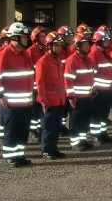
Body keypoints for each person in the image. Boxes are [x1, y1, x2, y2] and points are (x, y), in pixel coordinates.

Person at [0, 22, 35, 167]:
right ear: (14, 38)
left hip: (26, 101)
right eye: (24, 37)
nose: (26, 39)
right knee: (11, 130)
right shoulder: (4, 55)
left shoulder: (25, 54)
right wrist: (1, 96)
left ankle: (19, 155)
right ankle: (11, 156)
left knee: (23, 130)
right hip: (11, 102)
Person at [35, 31, 66, 159]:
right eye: (56, 45)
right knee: (47, 126)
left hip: (59, 99)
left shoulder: (58, 60)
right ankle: (46, 150)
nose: (59, 48)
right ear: (49, 46)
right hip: (49, 99)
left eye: (60, 45)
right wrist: (42, 99)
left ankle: (54, 147)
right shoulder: (43, 62)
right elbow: (40, 82)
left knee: (57, 126)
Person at [63, 33, 96, 151]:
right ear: (77, 46)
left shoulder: (88, 59)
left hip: (87, 96)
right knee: (76, 120)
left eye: (88, 44)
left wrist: (93, 89)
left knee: (85, 120)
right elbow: (68, 79)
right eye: (85, 45)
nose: (88, 47)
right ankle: (75, 142)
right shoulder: (72, 60)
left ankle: (82, 139)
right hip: (77, 97)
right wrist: (71, 96)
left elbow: (92, 76)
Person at [87, 30, 112, 144]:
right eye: (105, 40)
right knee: (97, 114)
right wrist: (93, 89)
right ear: (98, 41)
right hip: (99, 91)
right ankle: (96, 135)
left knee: (104, 113)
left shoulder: (105, 53)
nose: (107, 42)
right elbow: (91, 74)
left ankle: (102, 133)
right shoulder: (94, 55)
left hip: (107, 89)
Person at [26, 26, 47, 141]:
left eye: (44, 36)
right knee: (34, 111)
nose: (44, 38)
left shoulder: (45, 49)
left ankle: (40, 129)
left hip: (43, 86)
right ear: (35, 37)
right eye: (42, 36)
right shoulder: (30, 52)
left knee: (41, 110)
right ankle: (33, 130)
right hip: (34, 87)